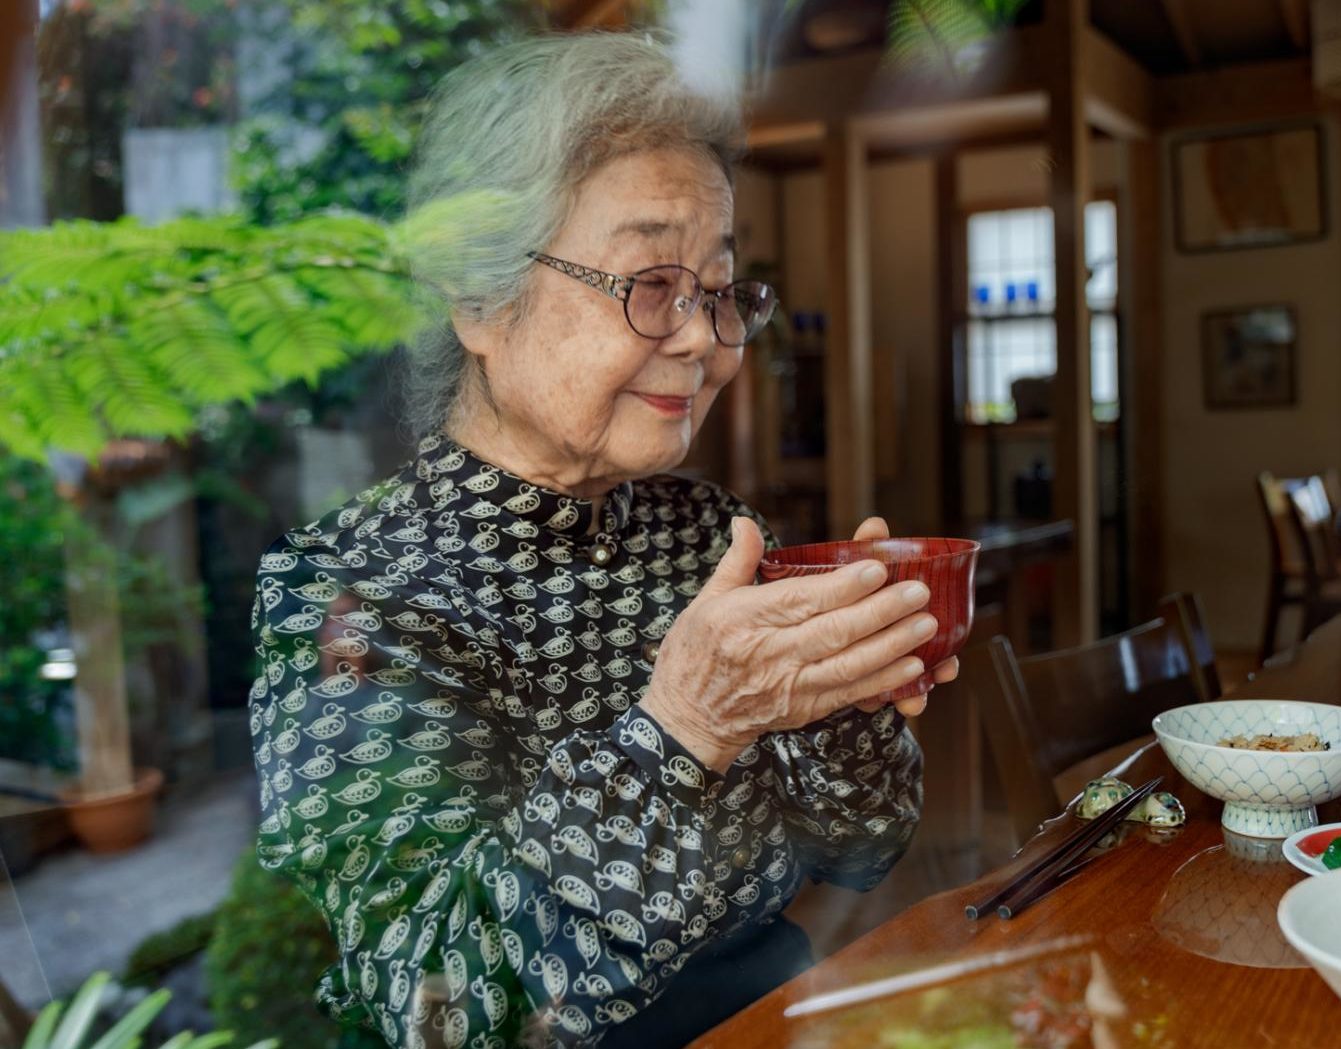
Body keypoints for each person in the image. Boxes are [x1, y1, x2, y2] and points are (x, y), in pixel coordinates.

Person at [248, 31, 952, 1049]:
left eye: (718, 289)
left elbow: (862, 848)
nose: (706, 336)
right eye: (649, 283)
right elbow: (441, 1010)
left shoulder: (711, 532)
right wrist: (685, 729)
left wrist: (843, 695)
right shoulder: (347, 594)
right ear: (479, 300)